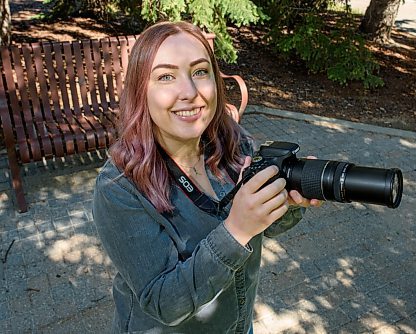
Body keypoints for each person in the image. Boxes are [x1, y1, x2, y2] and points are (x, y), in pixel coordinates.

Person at [92, 21, 322, 334]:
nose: (189, 92)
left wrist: (287, 204)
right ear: (140, 91)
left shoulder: (233, 144)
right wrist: (237, 229)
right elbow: (163, 303)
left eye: (200, 71)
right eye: (166, 76)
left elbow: (264, 227)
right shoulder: (119, 188)